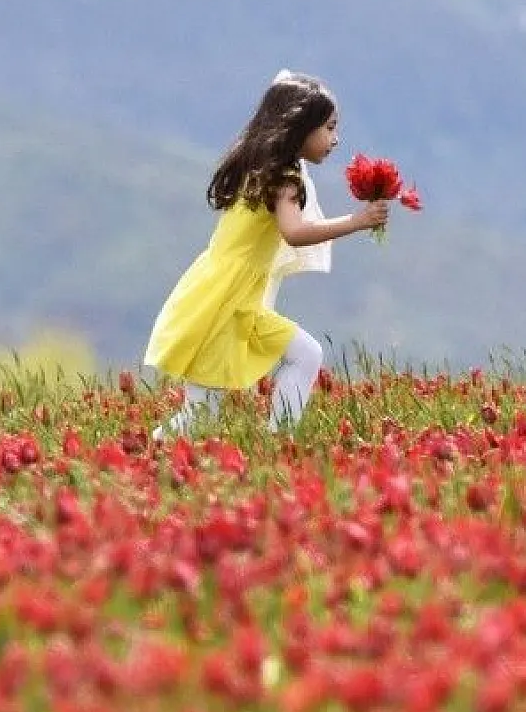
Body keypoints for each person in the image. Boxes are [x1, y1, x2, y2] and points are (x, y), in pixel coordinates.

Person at [144, 70, 389, 438]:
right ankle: (151, 451)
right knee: (199, 417)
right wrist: (357, 222)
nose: (335, 140)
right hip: (224, 303)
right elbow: (294, 233)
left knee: (306, 355)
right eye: (329, 128)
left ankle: (279, 440)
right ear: (299, 127)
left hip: (236, 298)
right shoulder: (283, 177)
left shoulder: (262, 164)